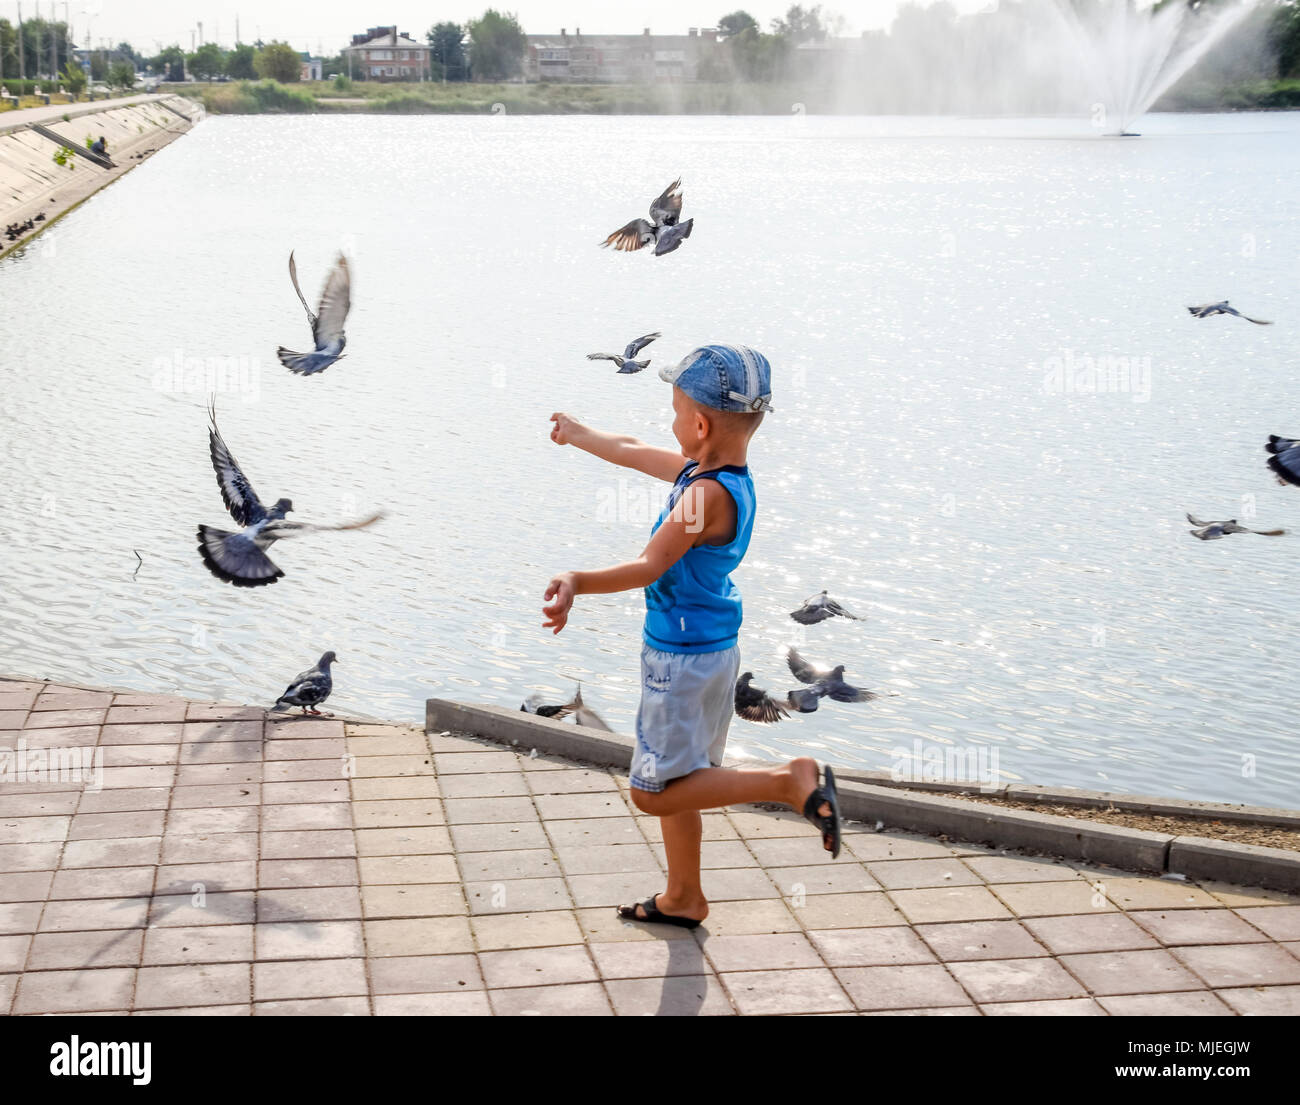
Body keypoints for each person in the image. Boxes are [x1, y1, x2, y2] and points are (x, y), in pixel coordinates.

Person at [542, 343, 841, 929]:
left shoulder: (703, 497)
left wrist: (576, 580)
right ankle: (684, 896)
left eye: (676, 412)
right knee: (686, 780)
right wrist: (581, 434)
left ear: (699, 424)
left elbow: (650, 565)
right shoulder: (714, 476)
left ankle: (786, 782)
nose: (671, 424)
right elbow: (630, 451)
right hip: (712, 653)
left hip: (681, 662)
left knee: (653, 792)